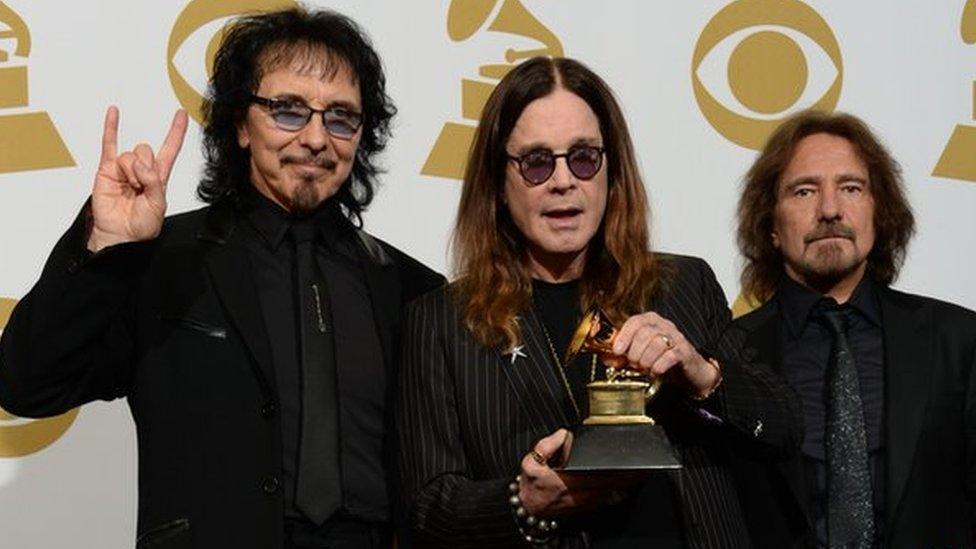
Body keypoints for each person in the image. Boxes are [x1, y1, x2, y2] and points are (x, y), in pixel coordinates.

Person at [0, 8, 442, 549]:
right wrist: (105, 246)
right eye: (288, 110)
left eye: (341, 117)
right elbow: (28, 384)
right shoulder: (164, 262)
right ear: (239, 123)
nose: (315, 137)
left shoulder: (414, 289)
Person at [395, 56, 800, 548]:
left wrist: (701, 374)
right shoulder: (441, 322)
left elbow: (783, 426)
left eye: (584, 157)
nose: (564, 180)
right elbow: (428, 512)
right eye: (537, 162)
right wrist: (523, 503)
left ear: (611, 173)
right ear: (498, 185)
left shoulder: (683, 284)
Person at [732, 109, 976, 547]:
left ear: (877, 212)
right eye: (804, 191)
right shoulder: (729, 353)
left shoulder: (959, 341)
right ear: (770, 225)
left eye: (850, 188)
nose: (829, 210)